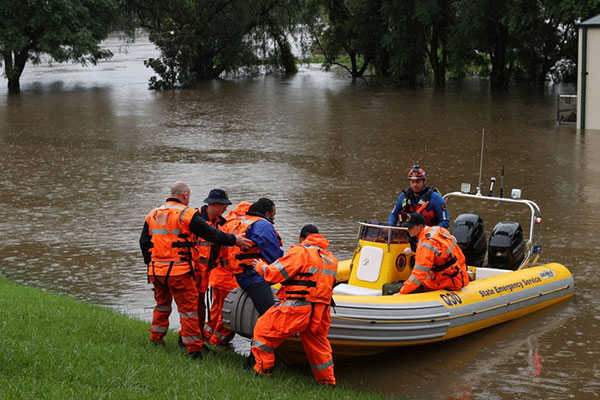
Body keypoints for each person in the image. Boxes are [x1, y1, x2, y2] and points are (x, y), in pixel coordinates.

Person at [139, 181, 250, 360]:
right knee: (189, 310)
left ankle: (156, 339)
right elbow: (210, 233)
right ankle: (194, 350)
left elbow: (144, 242)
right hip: (180, 272)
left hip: (157, 271)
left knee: (162, 305)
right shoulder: (186, 214)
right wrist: (234, 240)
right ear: (185, 195)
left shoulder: (153, 214)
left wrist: (150, 264)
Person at [249, 225, 338, 386]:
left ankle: (263, 373)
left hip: (297, 307)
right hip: (320, 312)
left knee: (263, 332)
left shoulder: (300, 252)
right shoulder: (331, 258)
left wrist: (259, 266)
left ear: (301, 239)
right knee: (318, 346)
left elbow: (274, 274)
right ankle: (327, 382)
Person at [204, 201, 251, 348]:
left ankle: (206, 335)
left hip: (216, 275)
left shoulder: (225, 223)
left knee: (216, 309)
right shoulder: (243, 228)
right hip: (229, 277)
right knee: (228, 313)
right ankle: (217, 341)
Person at [226, 198, 283, 315]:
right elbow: (274, 254)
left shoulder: (245, 221)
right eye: (274, 214)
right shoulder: (262, 225)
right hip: (254, 276)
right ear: (267, 214)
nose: (274, 218)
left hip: (241, 274)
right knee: (269, 316)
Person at [397, 213, 469, 295]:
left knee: (391, 288)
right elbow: (459, 256)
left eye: (411, 227)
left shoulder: (425, 245)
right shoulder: (439, 230)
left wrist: (401, 292)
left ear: (420, 226)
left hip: (446, 282)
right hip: (458, 276)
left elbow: (419, 274)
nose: (408, 230)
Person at [191, 189, 231, 335]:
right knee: (193, 306)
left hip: (206, 273)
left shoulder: (222, 223)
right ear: (212, 204)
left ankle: (196, 337)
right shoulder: (194, 219)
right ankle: (192, 338)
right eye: (223, 205)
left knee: (200, 306)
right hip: (191, 271)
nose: (226, 208)